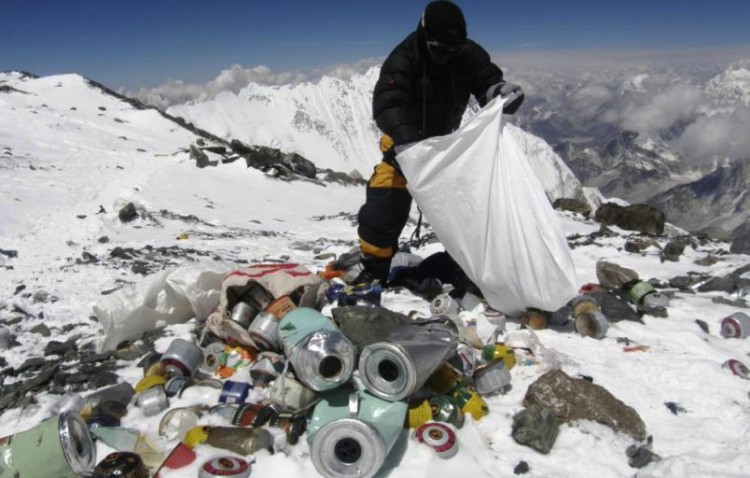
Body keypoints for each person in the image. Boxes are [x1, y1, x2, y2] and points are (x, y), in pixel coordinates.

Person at [353, 0, 524, 286]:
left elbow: (487, 82)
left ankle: (468, 267)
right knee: (385, 203)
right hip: (403, 149)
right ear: (424, 36)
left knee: (468, 207)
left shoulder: (468, 54)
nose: (446, 56)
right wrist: (408, 144)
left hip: (446, 149)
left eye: (453, 49)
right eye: (439, 49)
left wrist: (499, 92)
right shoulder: (404, 58)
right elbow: (387, 103)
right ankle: (375, 266)